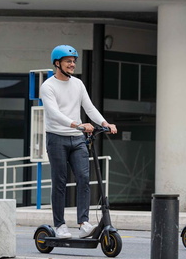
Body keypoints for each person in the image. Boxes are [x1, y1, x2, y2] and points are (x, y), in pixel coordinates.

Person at [40, 44, 117, 239]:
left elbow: (89, 107)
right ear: (57, 63)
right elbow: (54, 114)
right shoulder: (48, 86)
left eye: (74, 61)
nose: (72, 64)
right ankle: (60, 225)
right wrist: (77, 124)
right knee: (60, 181)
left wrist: (104, 123)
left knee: (84, 179)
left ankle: (83, 223)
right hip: (57, 138)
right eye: (68, 61)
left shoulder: (78, 84)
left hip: (77, 139)